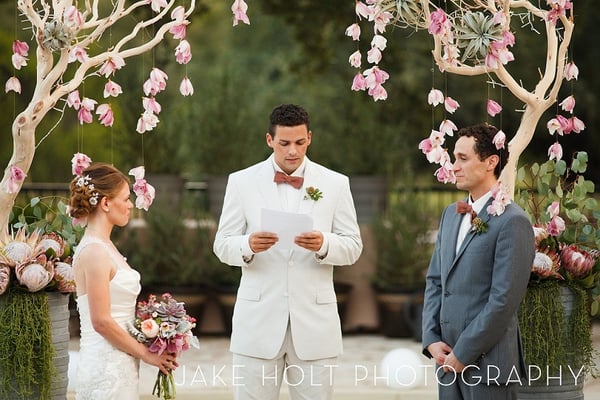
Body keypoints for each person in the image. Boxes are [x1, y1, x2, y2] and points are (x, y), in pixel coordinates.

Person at [213, 103, 363, 400]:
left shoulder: (335, 183)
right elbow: (222, 243)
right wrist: (247, 246)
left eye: (300, 142)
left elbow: (353, 247)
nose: (292, 151)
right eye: (284, 143)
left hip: (315, 326)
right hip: (256, 324)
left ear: (310, 137)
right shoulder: (241, 182)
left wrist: (324, 245)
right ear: (269, 140)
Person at [421, 123, 535, 400]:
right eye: (453, 158)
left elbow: (503, 300)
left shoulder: (513, 221)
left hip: (489, 365)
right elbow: (436, 280)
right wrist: (431, 339)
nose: (454, 166)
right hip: (446, 361)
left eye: (463, 158)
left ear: (490, 162)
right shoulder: (451, 214)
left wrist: (465, 352)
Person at [69, 162, 177, 399]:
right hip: (105, 367)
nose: (130, 205)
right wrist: (147, 355)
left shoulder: (106, 246)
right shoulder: (95, 252)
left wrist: (154, 331)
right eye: (126, 198)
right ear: (106, 203)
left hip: (121, 363)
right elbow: (102, 322)